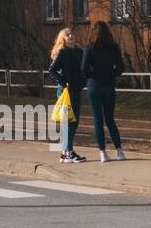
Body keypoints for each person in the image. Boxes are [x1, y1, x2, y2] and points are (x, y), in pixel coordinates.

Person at [82, 21, 127, 163]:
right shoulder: (113, 48)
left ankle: (102, 152)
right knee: (110, 119)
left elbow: (84, 69)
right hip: (108, 86)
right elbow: (120, 68)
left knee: (98, 120)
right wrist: (110, 74)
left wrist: (92, 75)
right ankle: (119, 151)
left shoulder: (89, 48)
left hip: (94, 86)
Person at [47, 28, 87, 163]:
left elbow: (84, 69)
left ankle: (66, 151)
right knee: (70, 123)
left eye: (72, 34)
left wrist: (83, 81)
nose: (71, 36)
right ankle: (68, 152)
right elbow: (52, 70)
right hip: (65, 92)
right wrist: (63, 81)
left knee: (73, 123)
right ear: (62, 39)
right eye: (67, 35)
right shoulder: (63, 53)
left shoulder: (79, 51)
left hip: (76, 90)